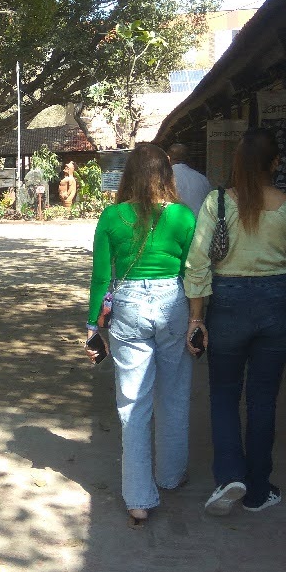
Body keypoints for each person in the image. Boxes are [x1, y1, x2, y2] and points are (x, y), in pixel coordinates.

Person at [184, 127, 286, 516]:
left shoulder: (217, 203)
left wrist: (197, 317)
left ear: (236, 164)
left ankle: (230, 476)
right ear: (276, 162)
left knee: (224, 394)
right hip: (276, 307)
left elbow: (198, 263)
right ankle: (259, 489)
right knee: (263, 400)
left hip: (227, 305)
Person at [84, 143, 197, 524]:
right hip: (172, 302)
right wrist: (196, 316)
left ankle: (138, 498)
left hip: (127, 306)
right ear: (167, 175)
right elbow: (189, 270)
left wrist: (91, 327)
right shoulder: (183, 216)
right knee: (175, 395)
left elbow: (102, 277)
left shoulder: (112, 216)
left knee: (133, 404)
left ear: (128, 174)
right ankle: (169, 476)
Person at [167, 143, 212, 216]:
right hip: (200, 224)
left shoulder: (165, 177)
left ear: (168, 157)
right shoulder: (202, 179)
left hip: (176, 224)